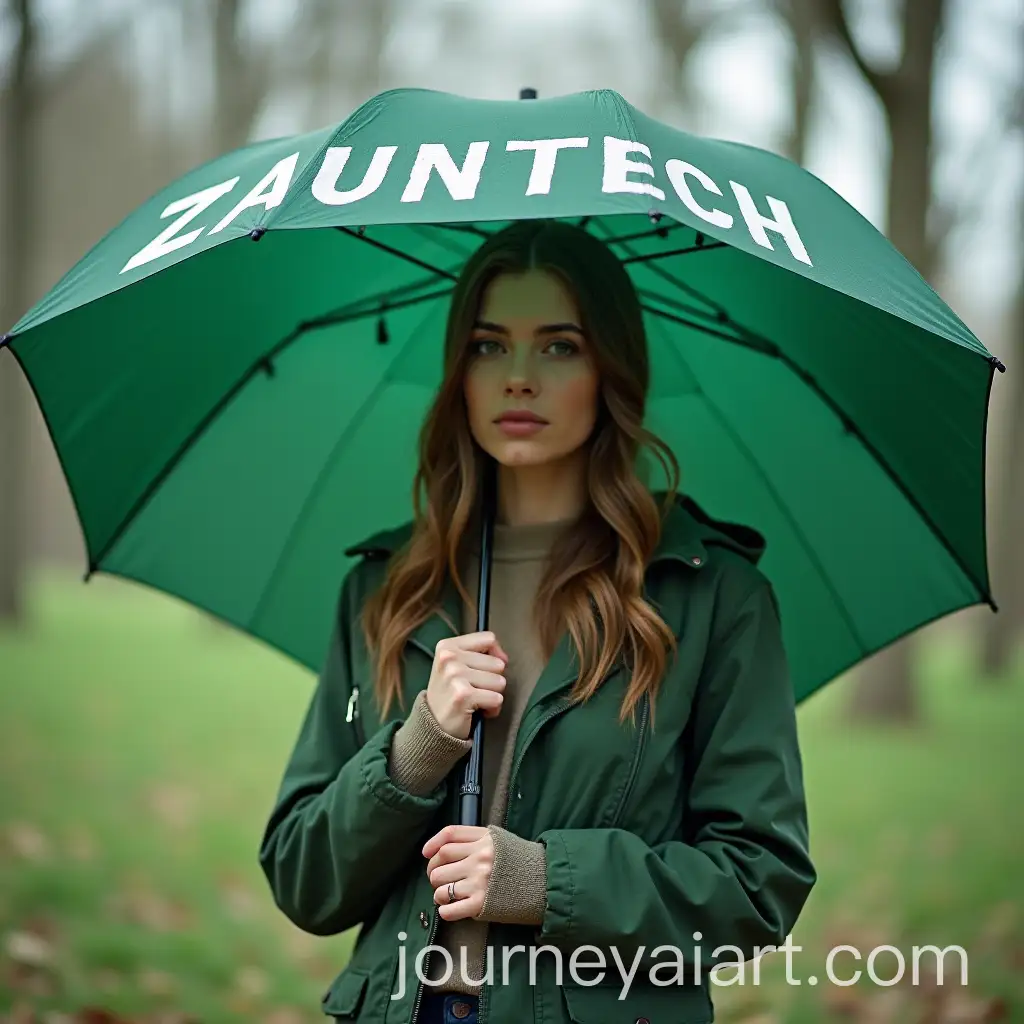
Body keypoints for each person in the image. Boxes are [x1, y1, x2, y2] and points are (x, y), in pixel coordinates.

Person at [258, 220, 815, 1024]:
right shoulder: (387, 590)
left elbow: (758, 882)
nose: (519, 377)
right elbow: (304, 879)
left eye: (559, 346)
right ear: (461, 375)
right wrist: (415, 752)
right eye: (490, 346)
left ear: (609, 370)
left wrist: (543, 880)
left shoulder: (710, 594)